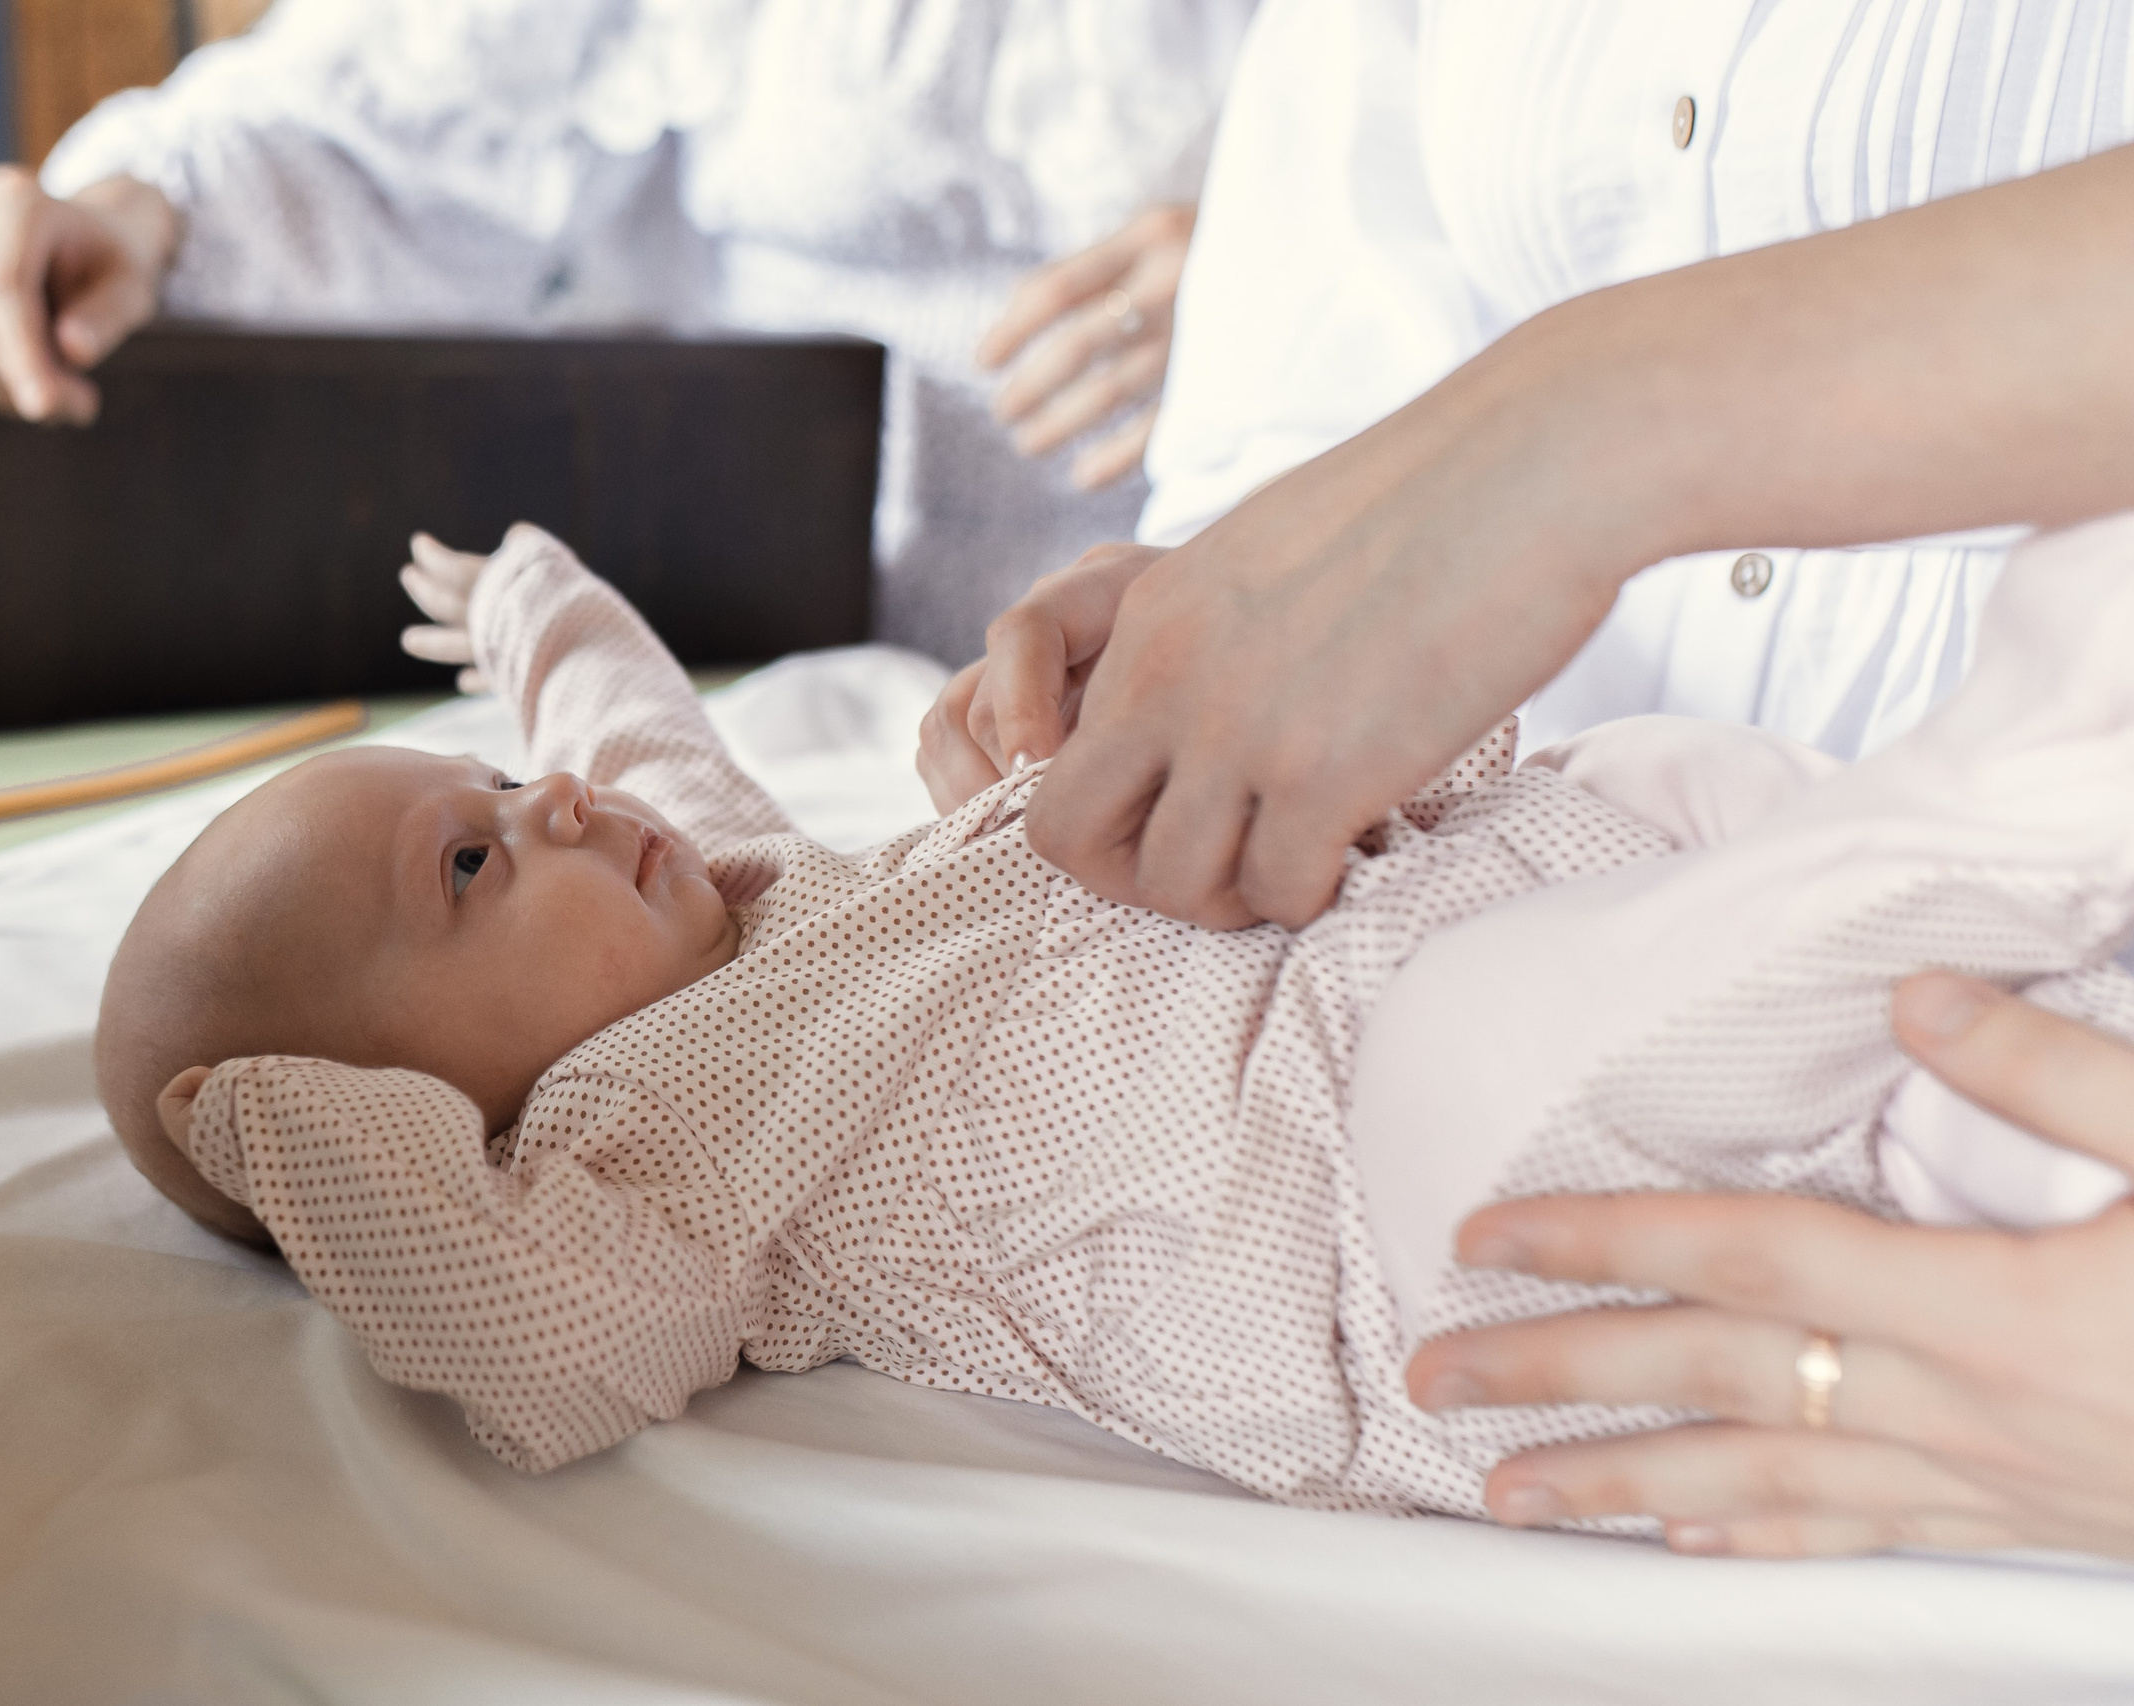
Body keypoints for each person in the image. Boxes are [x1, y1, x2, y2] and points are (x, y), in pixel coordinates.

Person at [92, 505, 2132, 1531]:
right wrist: (278, 1133)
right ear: (419, 1102)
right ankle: (2036, 767)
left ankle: (2032, 941)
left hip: (1476, 909)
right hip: (1384, 1235)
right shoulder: (632, 1176)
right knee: (1590, 1028)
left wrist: (540, 614)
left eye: (490, 796)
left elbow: (633, 743)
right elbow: (514, 1344)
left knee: (1685, 809)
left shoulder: (748, 897)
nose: (545, 812)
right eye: (464, 870)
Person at [914, 3, 2134, 1559]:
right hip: (1572, 1197)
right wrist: (1217, 644)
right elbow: (1326, 370)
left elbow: (1498, 458)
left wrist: (1584, 430)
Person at [0, 0, 1254, 665]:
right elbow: (370, 109)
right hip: (794, 677)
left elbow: (1460, 205)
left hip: (1265, 645)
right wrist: (130, 207)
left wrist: (1287, 252)